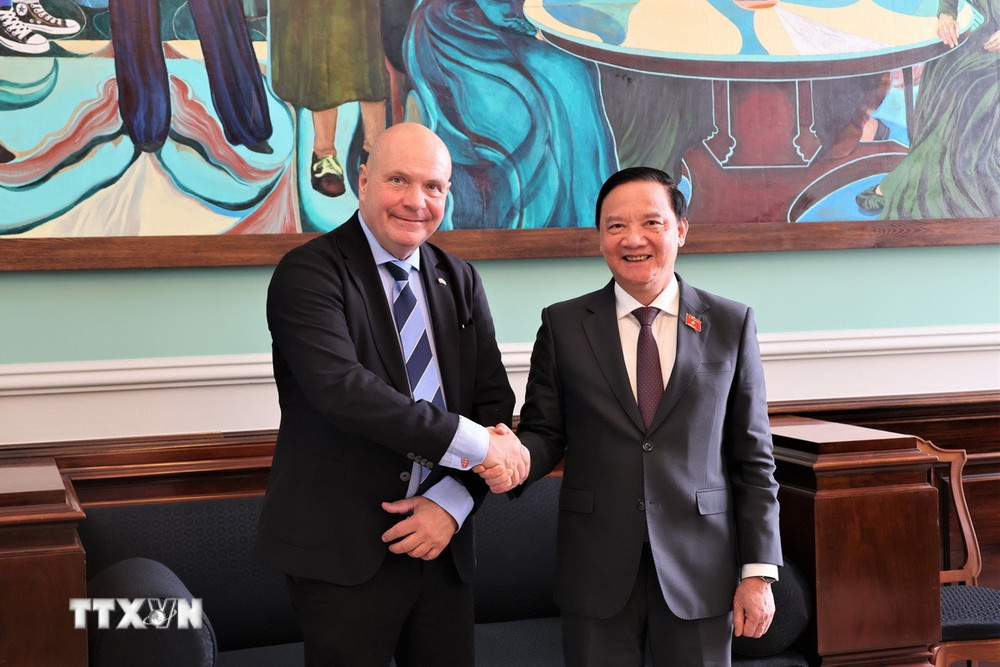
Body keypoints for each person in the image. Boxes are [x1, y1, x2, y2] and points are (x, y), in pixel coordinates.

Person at [480, 167, 782, 666]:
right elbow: (545, 433)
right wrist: (515, 459)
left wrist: (758, 572)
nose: (633, 239)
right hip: (595, 567)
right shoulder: (563, 324)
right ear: (600, 236)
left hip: (701, 567)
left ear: (680, 230)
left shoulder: (730, 323)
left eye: (651, 223)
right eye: (616, 226)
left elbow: (754, 457)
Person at [256, 122, 527, 666]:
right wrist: (479, 445)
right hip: (343, 553)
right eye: (398, 180)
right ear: (363, 180)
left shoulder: (460, 278)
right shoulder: (309, 273)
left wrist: (451, 505)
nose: (415, 202)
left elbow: (493, 406)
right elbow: (345, 392)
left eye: (433, 187)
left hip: (442, 548)